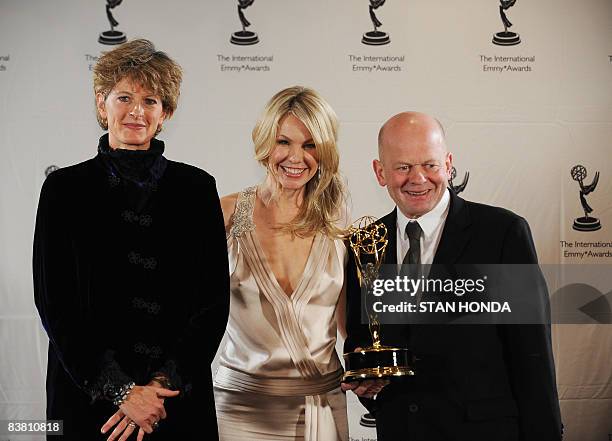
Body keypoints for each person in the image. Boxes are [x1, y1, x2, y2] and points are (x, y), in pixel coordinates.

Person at [33, 39, 229, 440]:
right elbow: (56, 304)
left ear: (166, 113)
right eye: (124, 97)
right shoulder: (63, 189)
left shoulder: (197, 188)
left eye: (151, 100)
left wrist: (158, 388)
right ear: (102, 104)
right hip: (87, 402)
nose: (136, 111)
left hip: (173, 402)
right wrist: (121, 391)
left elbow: (212, 304)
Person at [342, 112, 563, 440]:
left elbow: (532, 354)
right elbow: (363, 338)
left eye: (429, 165)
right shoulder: (364, 243)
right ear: (380, 172)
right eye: (403, 167)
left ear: (448, 164)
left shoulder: (502, 233)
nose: (418, 179)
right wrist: (367, 384)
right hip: (400, 430)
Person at [214, 86, 349, 440]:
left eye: (309, 145)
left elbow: (349, 324)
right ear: (264, 142)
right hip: (240, 407)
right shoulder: (229, 213)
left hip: (322, 405)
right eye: (283, 142)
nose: (295, 157)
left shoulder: (335, 220)